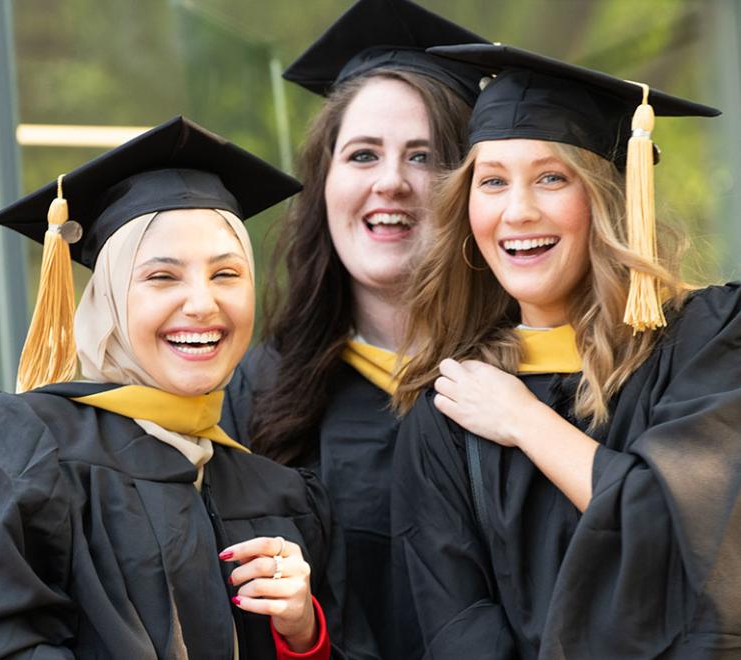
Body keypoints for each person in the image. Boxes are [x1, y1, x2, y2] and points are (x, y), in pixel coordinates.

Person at [0, 116, 378, 659]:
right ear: (109, 299)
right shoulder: (22, 445)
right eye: (162, 277)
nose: (202, 303)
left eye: (227, 274)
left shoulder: (278, 494)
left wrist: (303, 632)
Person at [391, 42, 741, 659]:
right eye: (492, 182)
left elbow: (697, 547)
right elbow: (456, 623)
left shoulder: (705, 344)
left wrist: (526, 422)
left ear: (607, 197)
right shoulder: (452, 405)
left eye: (551, 178)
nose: (517, 212)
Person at [220, 2, 487, 655]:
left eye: (424, 156)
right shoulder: (262, 392)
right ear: (325, 183)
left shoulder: (530, 380)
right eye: (363, 154)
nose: (391, 182)